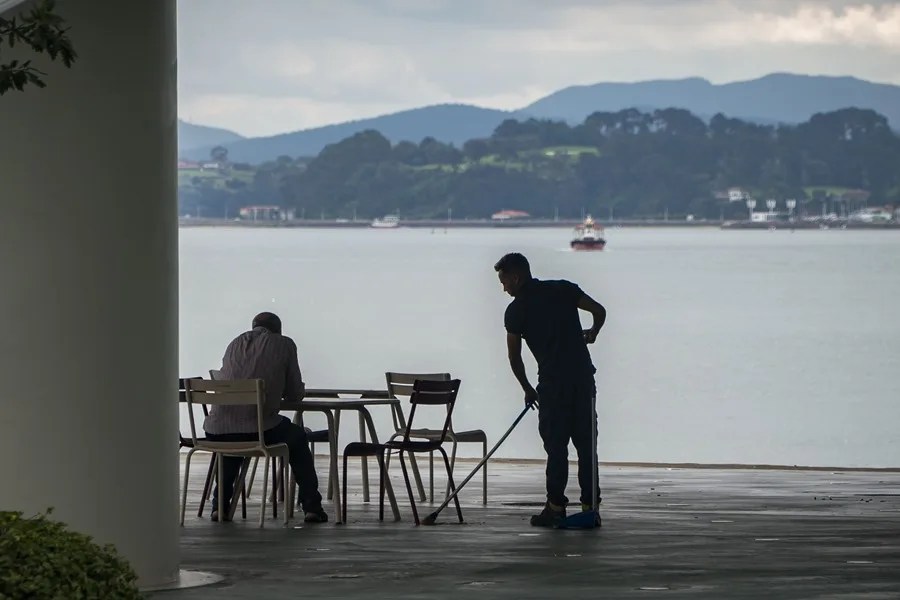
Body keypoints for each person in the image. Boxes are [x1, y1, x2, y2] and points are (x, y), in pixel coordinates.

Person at [494, 253, 607, 527]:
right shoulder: (564, 289)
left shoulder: (516, 311)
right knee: (586, 446)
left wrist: (527, 388)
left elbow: (514, 357)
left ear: (516, 277)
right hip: (582, 380)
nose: (504, 287)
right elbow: (599, 311)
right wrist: (593, 332)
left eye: (504, 281)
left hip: (552, 385)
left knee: (556, 448)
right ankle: (590, 506)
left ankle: (556, 508)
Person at [203, 312, 327, 523]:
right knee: (297, 436)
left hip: (216, 430)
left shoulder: (234, 343)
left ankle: (219, 507)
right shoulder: (284, 344)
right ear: (278, 329)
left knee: (232, 446)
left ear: (253, 327)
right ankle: (312, 507)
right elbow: (294, 394)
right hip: (257, 429)